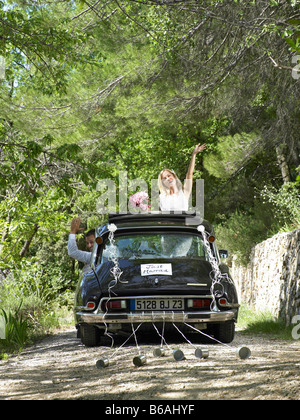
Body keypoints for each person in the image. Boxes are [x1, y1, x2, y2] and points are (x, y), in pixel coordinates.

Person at [158, 143, 206, 211]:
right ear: (163, 183)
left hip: (182, 221)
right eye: (164, 179)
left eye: (169, 176)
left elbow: (189, 174)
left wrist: (194, 154)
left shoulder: (184, 192)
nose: (168, 179)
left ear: (174, 176)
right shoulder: (161, 197)